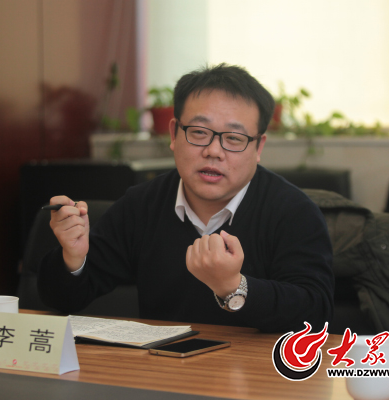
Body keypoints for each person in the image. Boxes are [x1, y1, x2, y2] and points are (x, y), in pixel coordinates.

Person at [38, 64, 334, 333]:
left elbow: (316, 315)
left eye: (234, 138)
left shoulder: (294, 212)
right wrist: (73, 259)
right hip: (163, 368)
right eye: (199, 132)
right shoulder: (142, 205)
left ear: (258, 148)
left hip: (257, 372)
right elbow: (62, 300)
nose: (214, 151)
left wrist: (233, 287)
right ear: (174, 133)